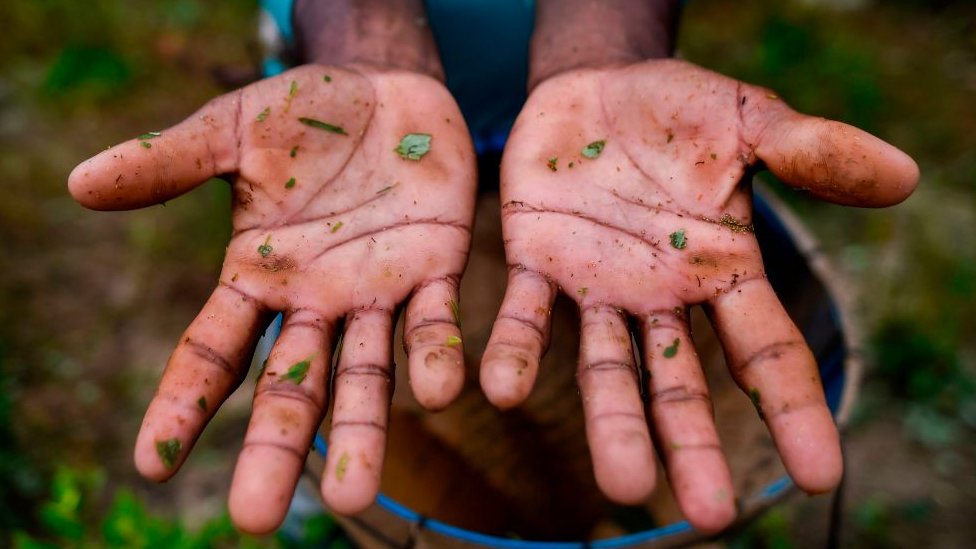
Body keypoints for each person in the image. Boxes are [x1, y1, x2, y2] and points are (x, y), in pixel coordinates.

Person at [67, 0, 919, 537]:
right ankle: (316, 488)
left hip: (587, 123)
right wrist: (373, 48)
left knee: (583, 360)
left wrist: (603, 50)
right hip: (346, 128)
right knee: (331, 314)